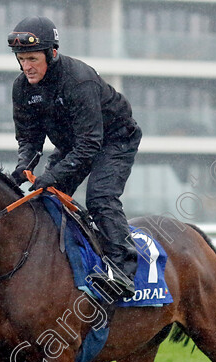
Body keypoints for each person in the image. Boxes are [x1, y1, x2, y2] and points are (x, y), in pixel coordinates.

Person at [8, 16, 142, 299]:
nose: (26, 66)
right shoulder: (21, 88)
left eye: (32, 58)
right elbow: (29, 139)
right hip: (75, 144)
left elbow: (90, 145)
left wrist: (51, 175)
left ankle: (123, 272)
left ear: (52, 53)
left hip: (114, 139)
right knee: (46, 199)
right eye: (21, 59)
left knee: (100, 198)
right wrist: (24, 165)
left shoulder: (78, 80)